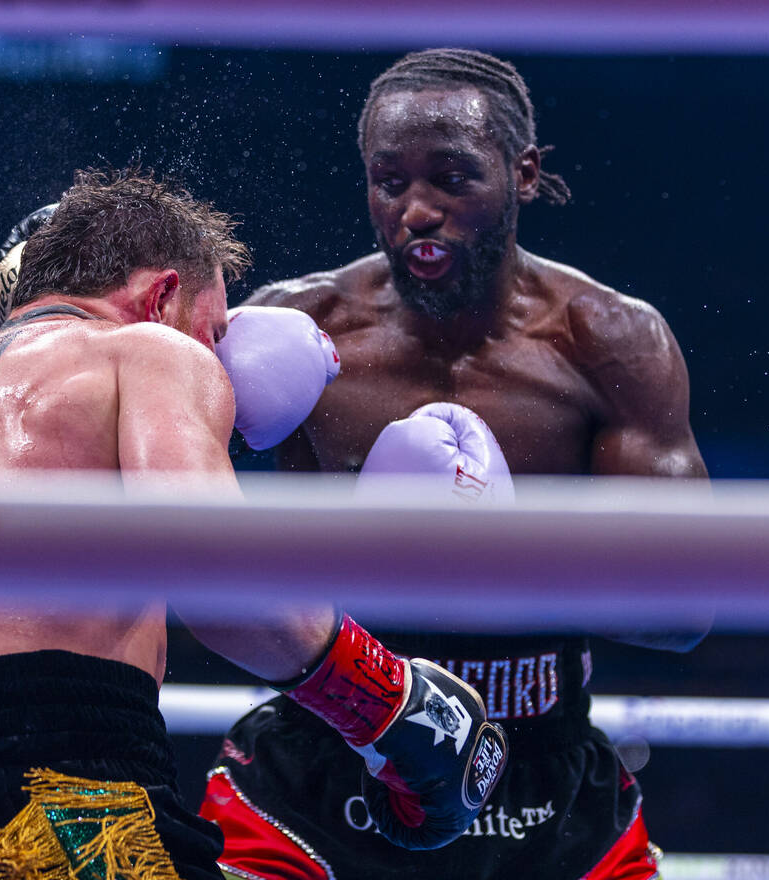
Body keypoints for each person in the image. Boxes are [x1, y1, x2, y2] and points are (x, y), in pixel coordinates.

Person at [0, 168, 507, 880]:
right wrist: (394, 705)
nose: (220, 358)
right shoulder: (147, 351)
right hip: (59, 811)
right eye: (216, 330)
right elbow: (221, 585)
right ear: (162, 295)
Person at [201, 49, 709, 880]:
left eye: (451, 178)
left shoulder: (610, 343)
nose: (417, 211)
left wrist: (503, 556)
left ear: (526, 174)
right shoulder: (297, 330)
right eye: (388, 180)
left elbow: (686, 606)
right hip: (326, 777)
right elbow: (202, 557)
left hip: (546, 794)